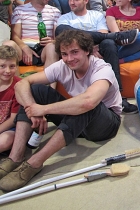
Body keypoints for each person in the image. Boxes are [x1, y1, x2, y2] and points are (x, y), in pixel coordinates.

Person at [0, 30, 122, 191]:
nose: (69, 59)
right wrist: (33, 109)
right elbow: (22, 84)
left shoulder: (102, 69)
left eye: (74, 52)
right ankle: (15, 157)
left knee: (86, 104)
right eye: (64, 54)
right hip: (78, 118)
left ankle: (34, 163)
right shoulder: (62, 66)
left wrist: (43, 109)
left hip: (105, 123)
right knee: (35, 90)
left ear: (87, 51)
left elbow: (88, 102)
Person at [56, 0, 139, 114]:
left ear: (86, 0)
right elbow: (64, 41)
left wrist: (92, 45)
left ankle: (119, 98)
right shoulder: (64, 18)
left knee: (108, 42)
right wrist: (89, 47)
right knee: (60, 30)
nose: (72, 2)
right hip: (76, 53)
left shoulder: (96, 15)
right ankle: (117, 36)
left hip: (98, 50)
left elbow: (101, 35)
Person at [3, 0, 60, 76]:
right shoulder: (20, 10)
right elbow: (15, 36)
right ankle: (14, 87)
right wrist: (24, 47)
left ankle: (50, 88)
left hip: (44, 49)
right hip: (24, 47)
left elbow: (57, 38)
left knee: (52, 47)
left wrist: (52, 41)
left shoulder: (54, 11)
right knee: (9, 44)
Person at [0, 46, 21, 154]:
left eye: (12, 66)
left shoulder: (19, 86)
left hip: (8, 128)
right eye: (2, 66)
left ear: (17, 67)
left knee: (5, 141)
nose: (7, 71)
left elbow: (13, 120)